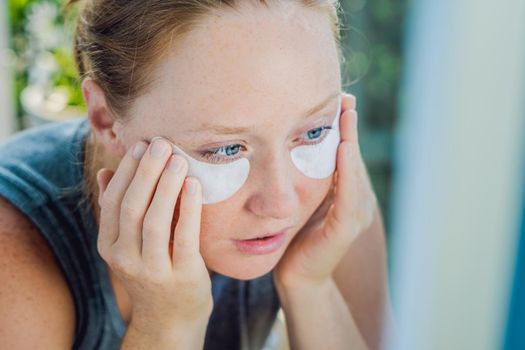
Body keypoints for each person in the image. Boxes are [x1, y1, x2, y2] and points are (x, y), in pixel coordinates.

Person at [0, 0, 392, 349]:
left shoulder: (331, 199)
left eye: (312, 131)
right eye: (224, 149)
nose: (281, 203)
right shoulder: (15, 259)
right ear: (106, 119)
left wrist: (311, 285)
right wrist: (166, 325)